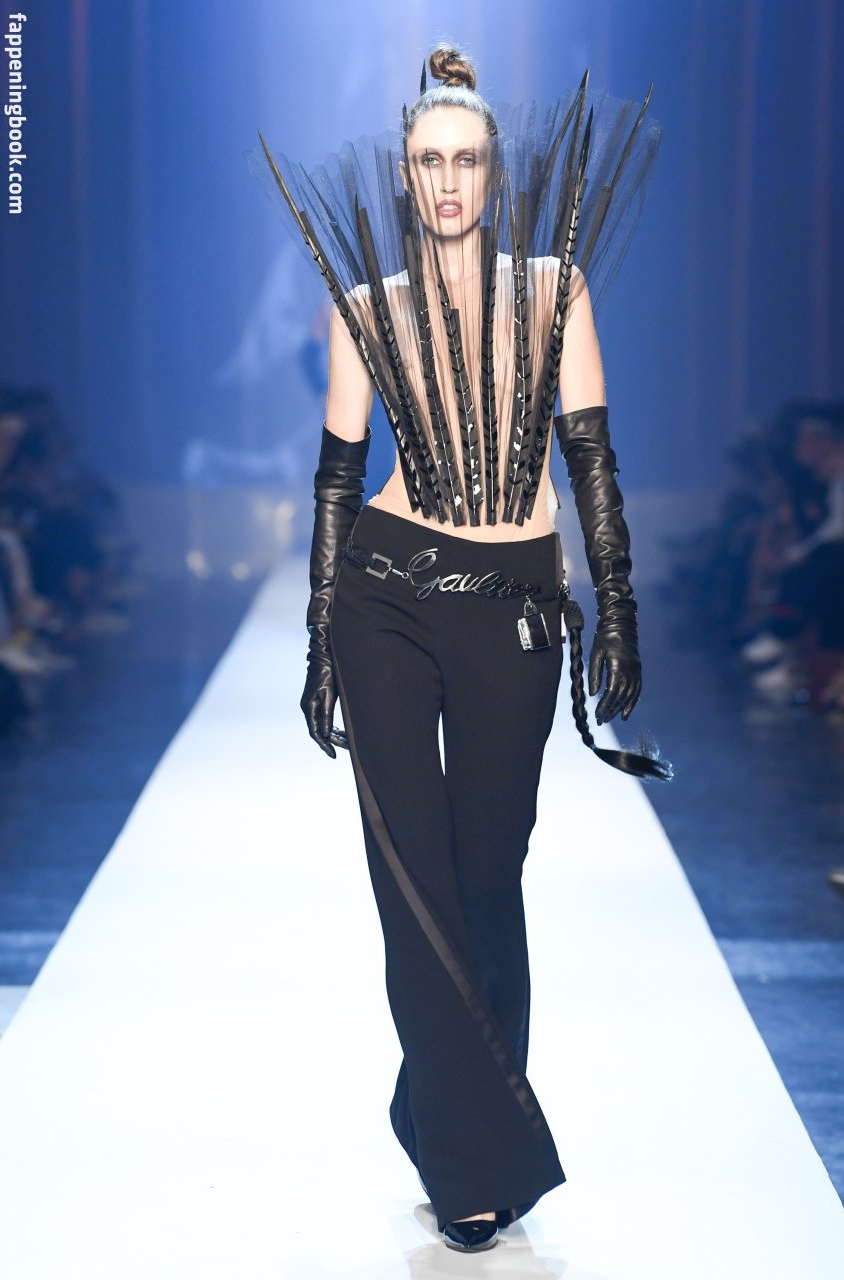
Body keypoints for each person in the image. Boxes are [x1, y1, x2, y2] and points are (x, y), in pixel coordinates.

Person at [253, 42, 673, 1252]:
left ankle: (439, 1104)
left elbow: (589, 457)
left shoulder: (555, 288)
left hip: (513, 604)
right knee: (413, 879)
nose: (447, 180)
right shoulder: (367, 308)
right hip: (385, 595)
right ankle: (471, 1165)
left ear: (494, 172)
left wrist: (618, 602)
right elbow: (338, 479)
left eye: (466, 159)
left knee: (487, 875)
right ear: (405, 173)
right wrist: (321, 639)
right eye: (429, 160)